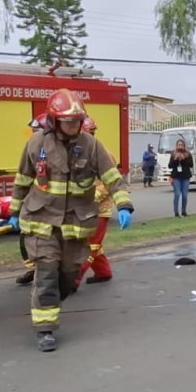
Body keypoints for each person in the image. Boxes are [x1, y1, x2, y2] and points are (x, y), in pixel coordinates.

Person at [11, 90, 134, 352]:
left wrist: (123, 204)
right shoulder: (36, 144)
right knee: (46, 271)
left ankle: (51, 302)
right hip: (42, 221)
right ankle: (45, 329)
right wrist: (13, 210)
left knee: (67, 276)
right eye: (68, 121)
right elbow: (22, 179)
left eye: (78, 121)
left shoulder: (90, 145)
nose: (74, 126)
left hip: (76, 225)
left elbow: (112, 177)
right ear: (55, 121)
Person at [77, 117, 116, 287]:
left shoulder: (103, 154)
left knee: (89, 246)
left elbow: (109, 182)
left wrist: (91, 197)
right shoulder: (79, 153)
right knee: (94, 245)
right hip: (84, 208)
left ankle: (73, 280)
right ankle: (103, 272)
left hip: (99, 209)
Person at [15, 114, 50, 287]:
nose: (33, 135)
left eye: (37, 131)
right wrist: (14, 210)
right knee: (25, 239)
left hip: (53, 211)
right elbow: (23, 179)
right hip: (33, 206)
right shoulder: (33, 148)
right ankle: (34, 269)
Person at [168, 139, 193, 217]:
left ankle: (184, 211)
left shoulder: (188, 154)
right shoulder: (173, 154)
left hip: (185, 177)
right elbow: (170, 166)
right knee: (177, 194)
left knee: (185, 195)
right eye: (179, 145)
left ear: (184, 146)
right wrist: (176, 159)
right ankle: (176, 212)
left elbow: (191, 164)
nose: (180, 146)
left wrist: (184, 159)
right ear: (176, 146)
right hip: (176, 177)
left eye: (181, 145)